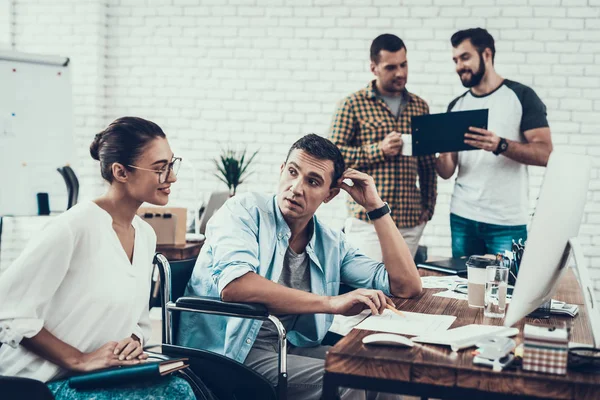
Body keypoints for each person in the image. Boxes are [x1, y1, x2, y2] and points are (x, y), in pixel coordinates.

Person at [178, 134, 421, 400]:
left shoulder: (330, 241)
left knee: (383, 374)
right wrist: (331, 302)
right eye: (292, 172)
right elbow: (236, 286)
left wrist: (375, 207)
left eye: (312, 181)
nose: (296, 187)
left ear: (330, 195)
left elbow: (406, 285)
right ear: (282, 170)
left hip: (287, 345)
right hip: (227, 353)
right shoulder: (242, 211)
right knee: (349, 380)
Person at [0, 117, 195, 399]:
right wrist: (79, 359)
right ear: (121, 172)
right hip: (41, 383)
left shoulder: (146, 235)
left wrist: (132, 342)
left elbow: (137, 320)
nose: (172, 177)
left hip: (98, 376)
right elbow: (7, 309)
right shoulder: (73, 227)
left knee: (180, 388)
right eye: (160, 169)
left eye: (171, 165)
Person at [436, 28, 553, 258]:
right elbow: (447, 171)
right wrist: (434, 150)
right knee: (463, 290)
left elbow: (546, 154)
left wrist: (500, 145)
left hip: (506, 222)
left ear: (486, 54)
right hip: (462, 217)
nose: (459, 66)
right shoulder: (456, 106)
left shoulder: (521, 96)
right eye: (455, 60)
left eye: (465, 57)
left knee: (508, 291)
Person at [329, 33, 437, 261]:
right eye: (391, 67)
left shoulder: (420, 106)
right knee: (370, 289)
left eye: (403, 65)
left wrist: (428, 207)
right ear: (373, 68)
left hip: (410, 221)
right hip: (367, 221)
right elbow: (331, 157)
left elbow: (427, 164)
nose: (400, 73)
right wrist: (379, 150)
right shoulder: (351, 105)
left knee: (404, 291)